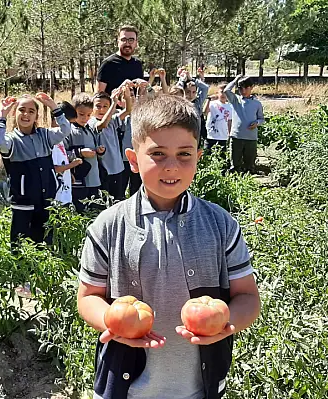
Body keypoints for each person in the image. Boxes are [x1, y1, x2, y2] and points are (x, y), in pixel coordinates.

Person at [76, 96, 261, 399]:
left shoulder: (221, 225)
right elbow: (88, 298)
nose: (172, 166)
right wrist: (114, 325)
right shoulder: (108, 226)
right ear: (133, 160)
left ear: (198, 157)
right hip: (122, 387)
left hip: (198, 388)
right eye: (158, 154)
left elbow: (248, 298)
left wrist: (226, 323)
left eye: (184, 154)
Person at [0, 93, 71, 244]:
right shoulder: (12, 140)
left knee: (44, 242)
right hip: (23, 203)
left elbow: (65, 129)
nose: (26, 114)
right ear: (14, 114)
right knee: (21, 244)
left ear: (36, 116)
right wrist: (2, 115)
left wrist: (53, 107)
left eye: (31, 111)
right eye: (21, 110)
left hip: (46, 200)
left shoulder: (44, 135)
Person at [63, 92, 105, 212]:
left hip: (94, 179)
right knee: (81, 211)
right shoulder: (68, 130)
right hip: (78, 180)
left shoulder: (89, 128)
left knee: (96, 210)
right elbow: (63, 154)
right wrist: (80, 152)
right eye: (81, 114)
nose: (85, 118)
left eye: (88, 115)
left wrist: (99, 151)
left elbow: (93, 147)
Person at [91, 87, 133, 201]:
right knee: (106, 201)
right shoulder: (93, 122)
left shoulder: (113, 121)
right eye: (98, 106)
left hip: (118, 168)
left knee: (119, 199)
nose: (101, 109)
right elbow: (102, 125)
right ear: (92, 108)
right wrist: (113, 102)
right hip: (105, 170)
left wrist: (127, 96)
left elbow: (128, 110)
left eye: (105, 106)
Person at [224, 75, 264, 173]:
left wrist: (257, 123)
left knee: (249, 165)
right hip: (236, 137)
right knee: (235, 165)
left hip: (251, 138)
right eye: (241, 88)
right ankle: (235, 184)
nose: (244, 90)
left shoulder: (257, 104)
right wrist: (235, 80)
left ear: (251, 87)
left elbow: (262, 119)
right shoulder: (236, 100)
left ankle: (248, 184)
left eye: (246, 88)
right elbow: (226, 90)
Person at [97, 25, 144, 95]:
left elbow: (140, 94)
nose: (127, 43)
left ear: (136, 43)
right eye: (124, 40)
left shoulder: (137, 64)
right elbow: (98, 97)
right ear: (118, 41)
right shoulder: (108, 64)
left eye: (131, 40)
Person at [50, 101, 82, 205]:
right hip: (56, 196)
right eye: (69, 123)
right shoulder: (50, 139)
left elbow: (61, 161)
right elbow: (53, 168)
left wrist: (69, 174)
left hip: (65, 191)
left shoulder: (60, 139)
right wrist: (72, 165)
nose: (70, 127)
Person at [204, 84, 234, 154]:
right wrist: (209, 99)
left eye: (226, 92)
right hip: (211, 135)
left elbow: (229, 121)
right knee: (207, 155)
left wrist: (230, 134)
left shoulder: (230, 107)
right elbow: (205, 112)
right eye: (221, 92)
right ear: (217, 93)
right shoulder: (212, 103)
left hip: (223, 137)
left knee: (221, 157)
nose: (223, 94)